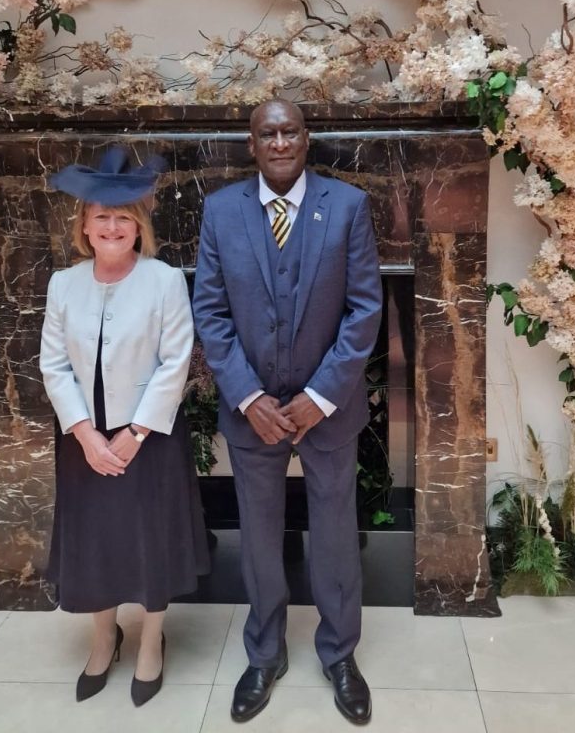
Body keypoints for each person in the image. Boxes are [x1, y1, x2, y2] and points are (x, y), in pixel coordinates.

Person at [192, 99, 382, 725]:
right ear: (252, 143)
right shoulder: (221, 211)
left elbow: (363, 311)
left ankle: (339, 655)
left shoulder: (348, 207)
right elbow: (211, 313)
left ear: (307, 138)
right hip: (254, 411)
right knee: (259, 537)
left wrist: (320, 396)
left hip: (329, 408)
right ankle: (265, 652)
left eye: (290, 131)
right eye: (267, 133)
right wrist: (249, 397)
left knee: (333, 533)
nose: (279, 142)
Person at [40, 146, 209, 707]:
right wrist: (86, 434)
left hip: (149, 437)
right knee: (95, 543)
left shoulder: (163, 281)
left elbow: (175, 360)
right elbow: (54, 364)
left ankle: (152, 640)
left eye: (124, 217)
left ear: (138, 227)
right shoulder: (64, 285)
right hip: (84, 438)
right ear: (84, 225)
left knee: (148, 538)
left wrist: (134, 435)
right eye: (101, 216)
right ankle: (102, 635)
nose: (112, 226)